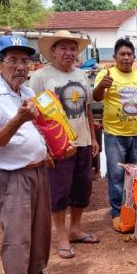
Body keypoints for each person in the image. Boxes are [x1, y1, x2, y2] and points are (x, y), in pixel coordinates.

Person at [0, 35, 72, 274]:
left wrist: (50, 151)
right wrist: (17, 119)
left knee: (40, 230)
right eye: (12, 60)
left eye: (25, 61)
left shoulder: (27, 92)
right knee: (17, 237)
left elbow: (39, 128)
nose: (20, 66)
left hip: (38, 170)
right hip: (12, 175)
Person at [30, 30, 100, 259]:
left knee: (82, 187)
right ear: (53, 51)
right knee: (59, 191)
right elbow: (34, 116)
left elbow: (87, 108)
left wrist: (92, 138)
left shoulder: (81, 75)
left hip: (82, 142)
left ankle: (76, 229)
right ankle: (61, 235)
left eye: (73, 48)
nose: (69, 53)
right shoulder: (41, 77)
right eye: (63, 48)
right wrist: (44, 148)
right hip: (58, 146)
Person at [93, 38, 137, 231]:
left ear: (134, 57)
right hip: (114, 135)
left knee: (135, 175)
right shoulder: (106, 74)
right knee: (117, 175)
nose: (126, 58)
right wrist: (102, 85)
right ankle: (117, 212)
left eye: (129, 54)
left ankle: (133, 208)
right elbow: (96, 98)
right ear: (114, 57)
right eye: (122, 54)